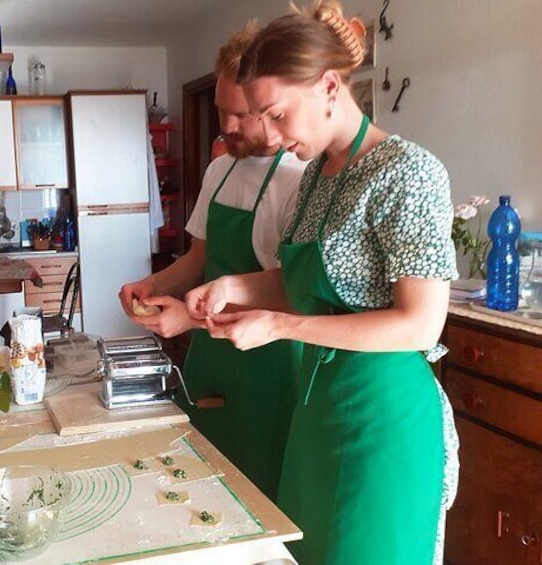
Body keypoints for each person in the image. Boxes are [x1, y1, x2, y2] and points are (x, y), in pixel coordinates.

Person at [185, 2, 459, 563]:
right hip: (317, 413)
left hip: (383, 422)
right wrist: (232, 288)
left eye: (277, 113)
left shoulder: (407, 173)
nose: (268, 131)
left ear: (330, 86)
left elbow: (419, 324)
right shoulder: (314, 177)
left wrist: (280, 325)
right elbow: (300, 285)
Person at [118, 21, 308, 500]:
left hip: (267, 366)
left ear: (274, 106)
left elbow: (290, 295)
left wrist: (189, 319)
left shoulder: (299, 181)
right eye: (223, 110)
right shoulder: (220, 169)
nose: (226, 126)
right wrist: (152, 283)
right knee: (198, 487)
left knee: (256, 497)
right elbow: (200, 258)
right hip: (210, 360)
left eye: (241, 114)